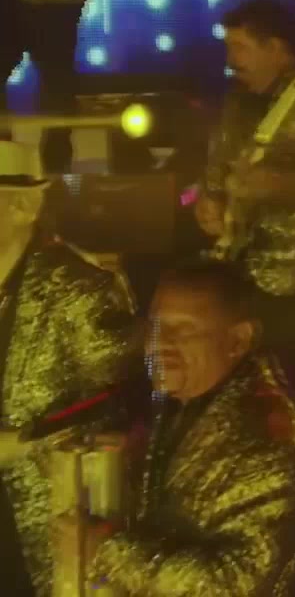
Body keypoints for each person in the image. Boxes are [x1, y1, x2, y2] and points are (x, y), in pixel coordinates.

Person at [193, 0, 295, 542]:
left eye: (241, 47)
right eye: (229, 47)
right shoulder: (235, 104)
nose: (231, 59)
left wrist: (276, 186)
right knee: (259, 401)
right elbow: (217, 171)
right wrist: (208, 201)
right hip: (251, 276)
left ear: (279, 49)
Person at [60, 259, 295, 595]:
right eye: (155, 327)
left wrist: (108, 552)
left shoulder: (270, 438)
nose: (160, 343)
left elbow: (233, 586)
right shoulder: (183, 399)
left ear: (239, 339)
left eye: (184, 330)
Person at [0, 139, 134, 595]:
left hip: (41, 515)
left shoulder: (81, 288)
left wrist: (22, 443)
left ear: (24, 208)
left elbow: (118, 404)